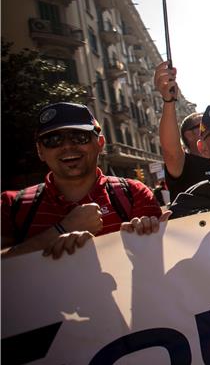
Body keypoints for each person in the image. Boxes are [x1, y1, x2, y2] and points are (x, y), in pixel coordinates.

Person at [1, 103, 165, 259]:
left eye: (79, 137)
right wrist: (62, 229)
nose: (67, 146)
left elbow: (159, 262)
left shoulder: (135, 193)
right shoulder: (11, 205)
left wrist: (151, 232)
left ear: (100, 143)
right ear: (40, 151)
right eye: (53, 140)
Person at [154, 61, 210, 197]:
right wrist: (169, 102)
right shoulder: (184, 164)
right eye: (204, 125)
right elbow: (170, 151)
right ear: (189, 135)